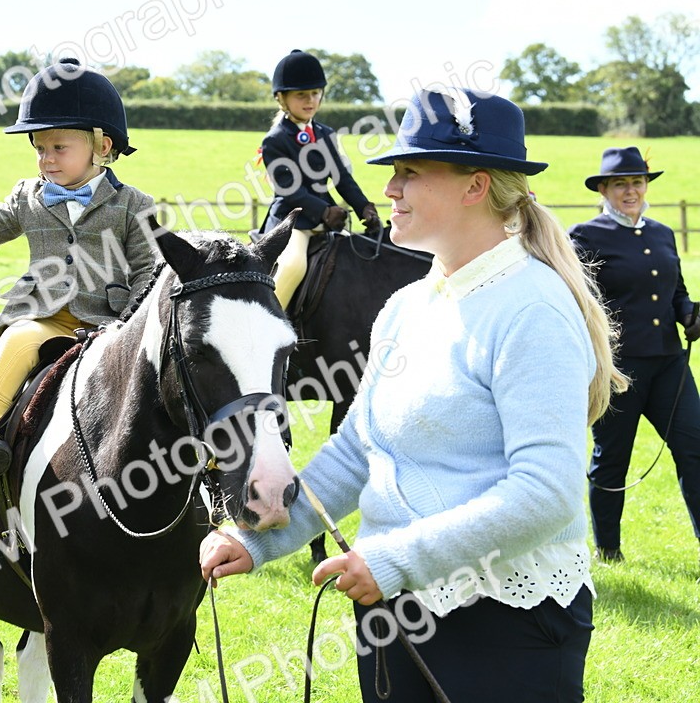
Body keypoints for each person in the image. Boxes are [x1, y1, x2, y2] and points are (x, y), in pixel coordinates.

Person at [200, 88, 627, 702]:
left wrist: (396, 560)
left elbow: (548, 493)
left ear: (474, 187)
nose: (390, 189)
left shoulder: (533, 308)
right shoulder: (405, 306)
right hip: (391, 608)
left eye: (409, 172)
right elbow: (357, 450)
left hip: (504, 621)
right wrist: (258, 538)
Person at [0, 58, 158, 492]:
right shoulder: (26, 197)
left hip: (109, 321)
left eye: (58, 148)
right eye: (39, 149)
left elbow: (146, 271)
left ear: (102, 146)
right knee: (16, 340)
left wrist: (126, 325)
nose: (46, 159)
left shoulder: (133, 204)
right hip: (44, 317)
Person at [568, 146, 700, 564]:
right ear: (604, 189)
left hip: (669, 365)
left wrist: (688, 313)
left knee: (695, 447)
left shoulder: (661, 233)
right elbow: (579, 300)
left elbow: (676, 291)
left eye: (637, 182)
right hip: (617, 369)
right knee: (612, 460)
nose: (630, 191)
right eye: (620, 184)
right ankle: (609, 550)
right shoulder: (585, 236)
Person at [256, 49, 382, 307]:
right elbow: (289, 189)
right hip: (293, 222)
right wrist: (324, 211)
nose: (310, 100)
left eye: (315, 93)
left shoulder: (325, 134)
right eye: (301, 95)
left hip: (328, 220)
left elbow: (342, 178)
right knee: (292, 266)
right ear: (282, 98)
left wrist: (364, 208)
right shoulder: (275, 140)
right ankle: (265, 328)